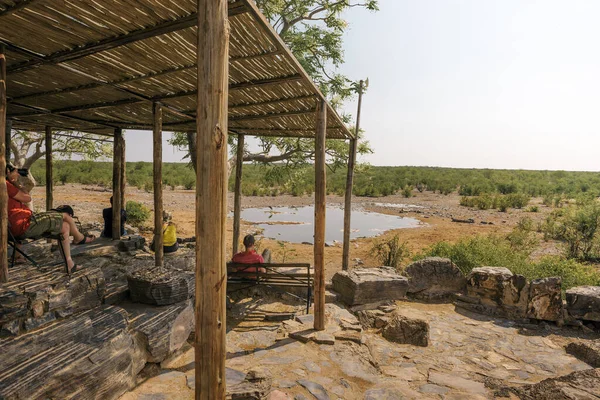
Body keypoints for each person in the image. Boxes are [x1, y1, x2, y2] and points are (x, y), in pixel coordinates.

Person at [6, 163, 95, 273]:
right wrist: (14, 181)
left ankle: (69, 264)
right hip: (24, 225)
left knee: (65, 226)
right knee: (66, 216)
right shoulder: (5, 185)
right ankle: (79, 238)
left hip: (17, 225)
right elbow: (27, 198)